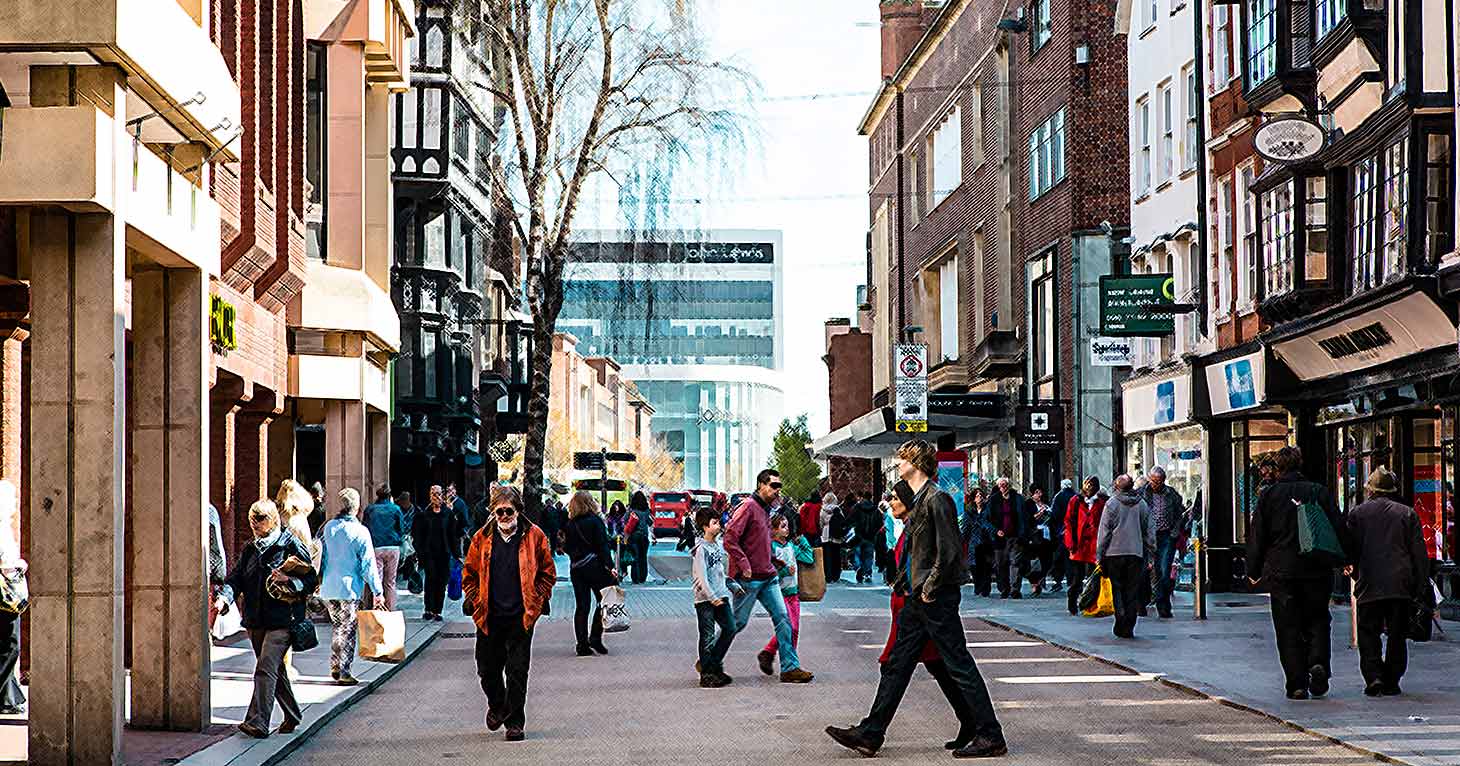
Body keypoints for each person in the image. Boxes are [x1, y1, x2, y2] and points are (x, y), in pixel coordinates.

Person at [825, 439, 1006, 758]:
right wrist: (902, 583)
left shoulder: (938, 499)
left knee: (958, 664)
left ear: (917, 463)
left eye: (904, 458)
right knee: (897, 665)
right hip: (916, 596)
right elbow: (913, 551)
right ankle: (870, 733)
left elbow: (949, 552)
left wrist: (928, 587)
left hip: (934, 597)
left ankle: (990, 734)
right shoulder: (920, 500)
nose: (899, 462)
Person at [880, 479, 977, 750]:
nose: (891, 503)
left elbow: (945, 556)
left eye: (896, 498)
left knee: (908, 666)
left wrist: (926, 590)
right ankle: (973, 722)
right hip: (911, 608)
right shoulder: (909, 529)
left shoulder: (930, 515)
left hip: (922, 606)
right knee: (941, 666)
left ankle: (872, 730)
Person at [1246, 445, 1346, 700]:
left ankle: (1297, 683)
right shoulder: (1318, 491)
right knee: (1318, 620)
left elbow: (1258, 535)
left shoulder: (1269, 496)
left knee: (1287, 626)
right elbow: (1337, 526)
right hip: (1316, 568)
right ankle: (1318, 662)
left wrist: (1253, 569)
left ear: (1278, 467)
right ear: (1300, 464)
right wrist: (1347, 559)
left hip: (1282, 572)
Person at [214, 499, 318, 739]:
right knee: (274, 670)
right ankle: (292, 714)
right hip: (255, 620)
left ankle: (258, 722)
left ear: (273, 520)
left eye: (259, 519)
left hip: (283, 620)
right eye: (252, 520)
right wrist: (225, 599)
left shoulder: (290, 545)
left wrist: (290, 581)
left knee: (264, 668)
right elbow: (236, 578)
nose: (254, 524)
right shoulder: (251, 548)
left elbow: (311, 579)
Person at [461, 485, 556, 742]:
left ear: (518, 511)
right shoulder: (481, 538)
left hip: (521, 616)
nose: (503, 516)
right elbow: (468, 574)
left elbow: (548, 572)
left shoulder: (535, 536)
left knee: (517, 671)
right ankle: (499, 705)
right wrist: (474, 599)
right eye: (498, 511)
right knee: (487, 670)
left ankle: (515, 722)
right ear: (492, 512)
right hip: (489, 616)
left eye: (508, 511)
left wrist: (537, 600)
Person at [722, 469, 815, 683]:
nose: (777, 490)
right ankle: (709, 658)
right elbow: (730, 538)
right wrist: (743, 563)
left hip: (769, 577)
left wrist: (776, 559)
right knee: (737, 622)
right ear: (761, 485)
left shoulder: (765, 510)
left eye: (779, 486)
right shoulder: (748, 507)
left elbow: (761, 542)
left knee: (784, 619)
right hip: (749, 579)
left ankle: (790, 668)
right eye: (773, 486)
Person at [1343, 468, 1428, 696]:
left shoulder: (1357, 514)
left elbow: (1350, 548)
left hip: (1369, 581)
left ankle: (1373, 677)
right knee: (1397, 634)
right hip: (1400, 583)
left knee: (1368, 631)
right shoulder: (1407, 514)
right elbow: (1418, 554)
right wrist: (1420, 584)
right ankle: (1392, 679)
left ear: (1370, 490)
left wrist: (1352, 570)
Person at [317, 488, 383, 684]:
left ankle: (335, 665)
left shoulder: (328, 527)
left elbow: (320, 555)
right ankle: (344, 670)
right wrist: (377, 591)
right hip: (349, 589)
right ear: (357, 508)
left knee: (338, 627)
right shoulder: (360, 531)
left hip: (329, 587)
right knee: (348, 629)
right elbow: (368, 565)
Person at [1097, 476, 1154, 639]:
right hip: (1135, 552)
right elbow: (1149, 531)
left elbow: (1104, 532)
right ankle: (1129, 623)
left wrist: (1099, 555)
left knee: (1118, 588)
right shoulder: (1142, 504)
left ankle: (1120, 617)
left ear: (1117, 487)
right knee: (1132, 589)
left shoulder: (1112, 504)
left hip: (1114, 553)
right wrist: (1151, 551)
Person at [562, 491, 617, 656]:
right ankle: (595, 637)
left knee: (582, 606)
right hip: (595, 567)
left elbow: (566, 547)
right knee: (604, 601)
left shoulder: (569, 524)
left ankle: (581, 644)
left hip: (576, 568)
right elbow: (602, 546)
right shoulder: (595, 521)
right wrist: (610, 566)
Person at [759, 513, 815, 673]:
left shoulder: (791, 546)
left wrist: (802, 540)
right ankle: (788, 661)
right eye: (783, 526)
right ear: (774, 530)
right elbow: (768, 570)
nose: (787, 529)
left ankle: (772, 653)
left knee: (795, 628)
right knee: (788, 628)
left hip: (794, 593)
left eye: (787, 526)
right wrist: (783, 571)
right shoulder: (772, 548)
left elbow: (809, 558)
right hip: (779, 593)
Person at [691, 506, 735, 688]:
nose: (719, 526)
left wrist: (731, 584)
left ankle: (712, 665)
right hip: (705, 600)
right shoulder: (700, 550)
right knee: (707, 636)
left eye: (719, 522)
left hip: (721, 595)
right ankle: (708, 674)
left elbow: (718, 573)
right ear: (704, 527)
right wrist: (711, 597)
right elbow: (701, 577)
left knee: (730, 628)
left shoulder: (717, 546)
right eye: (714, 523)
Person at [1139, 466, 1187, 619]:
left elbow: (1180, 513)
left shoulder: (1171, 494)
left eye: (1159, 481)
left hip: (1166, 536)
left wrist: (1175, 531)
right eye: (1153, 481)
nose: (1156, 484)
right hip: (1147, 537)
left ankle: (1163, 605)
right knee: (1145, 571)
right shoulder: (1141, 494)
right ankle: (1142, 603)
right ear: (1149, 478)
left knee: (1164, 572)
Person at [412, 485, 463, 621]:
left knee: (441, 582)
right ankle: (428, 609)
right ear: (430, 496)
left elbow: (453, 535)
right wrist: (419, 551)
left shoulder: (448, 513)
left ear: (443, 495)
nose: (436, 496)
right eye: (433, 494)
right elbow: (418, 535)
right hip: (429, 553)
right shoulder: (424, 514)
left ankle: (438, 611)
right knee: (430, 580)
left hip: (444, 553)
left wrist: (457, 554)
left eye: (439, 494)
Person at [0, 481, 26, 714]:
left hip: (5, 597)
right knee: (10, 644)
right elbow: (6, 564)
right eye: (13, 500)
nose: (16, 504)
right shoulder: (1, 530)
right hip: (5, 598)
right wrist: (20, 565)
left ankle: (8, 698)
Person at [1064, 477, 1107, 616]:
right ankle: (1072, 603)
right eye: (1087, 486)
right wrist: (1070, 543)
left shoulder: (1102, 503)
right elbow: (1068, 522)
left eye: (1092, 486)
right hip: (1079, 546)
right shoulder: (1075, 501)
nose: (1089, 489)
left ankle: (1090, 604)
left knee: (1094, 577)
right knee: (1077, 578)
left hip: (1095, 546)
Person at [361, 484, 406, 612]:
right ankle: (390, 609)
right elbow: (401, 529)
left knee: (376, 580)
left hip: (376, 547)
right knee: (390, 581)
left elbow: (365, 527)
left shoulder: (370, 509)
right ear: (390, 496)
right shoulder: (395, 509)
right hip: (392, 547)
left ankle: (376, 609)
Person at [983, 478, 1025, 599]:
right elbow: (985, 520)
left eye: (1005, 485)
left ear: (1009, 486)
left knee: (1015, 562)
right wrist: (995, 531)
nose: (1003, 487)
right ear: (998, 487)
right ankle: (1004, 588)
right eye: (1001, 485)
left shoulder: (1017, 498)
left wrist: (1022, 533)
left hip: (1015, 536)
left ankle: (1015, 589)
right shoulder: (993, 500)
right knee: (1001, 564)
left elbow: (1023, 517)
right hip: (999, 539)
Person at [1022, 486, 1054, 596]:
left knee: (1047, 560)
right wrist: (1040, 513)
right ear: (1031, 494)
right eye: (1036, 492)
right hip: (1034, 536)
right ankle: (1035, 584)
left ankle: (1040, 581)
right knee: (1034, 561)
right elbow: (1029, 520)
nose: (1039, 495)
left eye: (1040, 492)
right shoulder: (1028, 504)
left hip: (1046, 535)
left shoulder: (1045, 504)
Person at [1049, 479, 1077, 592]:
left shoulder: (1059, 496)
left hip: (1061, 531)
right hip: (1074, 531)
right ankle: (1072, 580)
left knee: (1059, 557)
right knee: (1071, 557)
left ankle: (1058, 580)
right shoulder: (1076, 496)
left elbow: (1054, 514)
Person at [852, 493, 883, 585]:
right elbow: (879, 523)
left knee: (857, 553)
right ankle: (868, 573)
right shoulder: (875, 509)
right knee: (869, 556)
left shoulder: (857, 507)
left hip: (858, 535)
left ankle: (858, 567)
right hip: (870, 536)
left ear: (862, 498)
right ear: (871, 497)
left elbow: (851, 519)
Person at [624, 491, 654, 584]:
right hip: (644, 537)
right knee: (643, 558)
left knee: (635, 558)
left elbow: (625, 520)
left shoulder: (631, 510)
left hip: (634, 537)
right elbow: (650, 523)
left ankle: (635, 579)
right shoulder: (646, 511)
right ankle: (642, 578)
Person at [968, 487, 993, 596]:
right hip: (974, 542)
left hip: (986, 541)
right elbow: (966, 526)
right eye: (977, 496)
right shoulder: (969, 511)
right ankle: (978, 586)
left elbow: (991, 523)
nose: (980, 498)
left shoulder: (988, 509)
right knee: (974, 567)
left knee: (986, 566)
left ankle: (986, 588)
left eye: (981, 496)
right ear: (973, 499)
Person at [821, 493, 844, 583]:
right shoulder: (838, 509)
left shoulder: (823, 510)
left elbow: (821, 522)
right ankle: (836, 575)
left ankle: (828, 576)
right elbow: (842, 521)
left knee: (827, 557)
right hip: (836, 536)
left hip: (826, 535)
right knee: (836, 556)